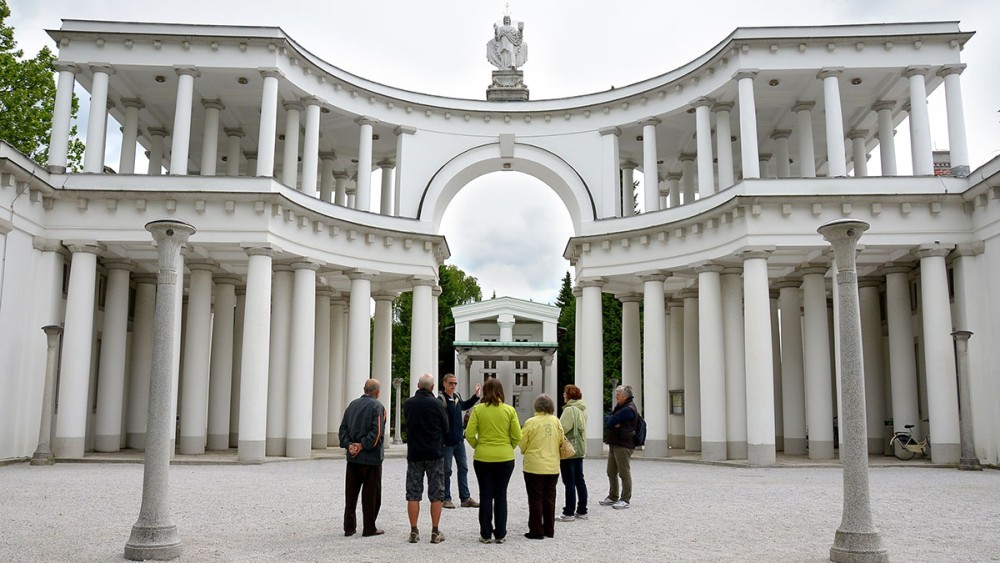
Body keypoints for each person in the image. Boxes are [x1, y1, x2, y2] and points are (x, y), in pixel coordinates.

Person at [465, 377, 521, 544]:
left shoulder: (478, 410)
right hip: (505, 457)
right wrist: (508, 446)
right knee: (501, 494)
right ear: (501, 392)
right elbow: (518, 435)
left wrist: (478, 445)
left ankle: (485, 533)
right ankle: (501, 533)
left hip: (483, 457)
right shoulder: (509, 410)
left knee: (486, 494)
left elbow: (469, 434)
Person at [402, 373, 450, 544]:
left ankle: (414, 530)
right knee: (436, 494)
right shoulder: (437, 404)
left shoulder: (408, 404)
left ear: (417, 385)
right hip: (434, 453)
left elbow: (407, 422)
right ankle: (435, 531)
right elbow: (446, 426)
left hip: (415, 453)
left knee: (413, 494)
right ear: (432, 387)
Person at [338, 378, 386, 537]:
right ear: (377, 392)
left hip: (353, 458)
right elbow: (377, 432)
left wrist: (349, 444)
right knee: (371, 495)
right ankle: (369, 527)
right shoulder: (377, 406)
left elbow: (343, 428)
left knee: (350, 495)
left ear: (364, 389)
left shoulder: (352, 405)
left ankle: (349, 527)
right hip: (371, 459)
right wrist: (362, 445)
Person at [518, 394, 564, 539]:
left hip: (534, 466)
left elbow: (522, 442)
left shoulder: (531, 422)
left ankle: (536, 530)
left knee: (535, 498)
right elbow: (561, 439)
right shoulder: (556, 421)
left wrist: (524, 450)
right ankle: (549, 529)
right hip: (552, 466)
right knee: (550, 498)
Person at [439, 373, 481, 509]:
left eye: (455, 383)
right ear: (444, 383)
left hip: (459, 440)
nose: (453, 385)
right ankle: (446, 497)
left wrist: (476, 397)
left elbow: (464, 406)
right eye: (451, 383)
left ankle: (465, 497)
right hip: (447, 442)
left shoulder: (457, 397)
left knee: (463, 468)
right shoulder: (441, 400)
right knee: (446, 470)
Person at [600, 384, 638, 510]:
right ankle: (613, 496)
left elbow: (610, 421)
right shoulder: (620, 407)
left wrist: (613, 421)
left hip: (623, 444)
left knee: (623, 472)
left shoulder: (628, 409)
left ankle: (625, 499)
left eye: (618, 394)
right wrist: (613, 420)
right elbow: (607, 419)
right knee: (611, 471)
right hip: (614, 443)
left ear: (625, 396)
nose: (616, 396)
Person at [557, 384, 588, 522]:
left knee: (569, 481)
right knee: (579, 480)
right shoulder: (582, 409)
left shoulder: (570, 410)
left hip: (569, 449)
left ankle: (569, 511)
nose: (563, 395)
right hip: (580, 448)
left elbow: (562, 428)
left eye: (565, 393)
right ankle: (582, 510)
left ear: (569, 395)